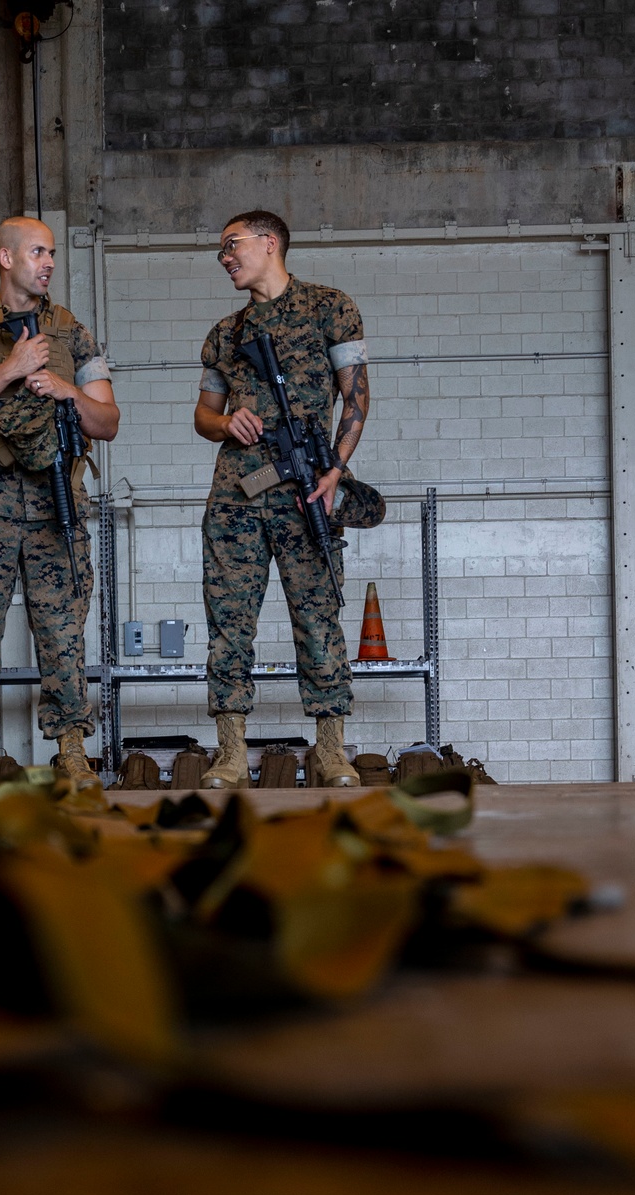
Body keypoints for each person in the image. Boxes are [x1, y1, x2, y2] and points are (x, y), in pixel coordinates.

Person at [0, 216, 119, 791]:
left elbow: (107, 421)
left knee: (64, 630)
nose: (50, 262)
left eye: (53, 252)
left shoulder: (73, 334)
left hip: (56, 498)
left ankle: (73, 749)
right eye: (38, 251)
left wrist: (66, 390)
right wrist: (12, 368)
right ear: (6, 258)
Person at [193, 209, 371, 789]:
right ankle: (230, 754)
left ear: (269, 243)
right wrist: (226, 423)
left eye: (232, 245)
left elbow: (357, 400)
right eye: (221, 249)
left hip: (305, 491)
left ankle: (331, 750)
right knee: (229, 624)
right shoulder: (226, 333)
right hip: (237, 498)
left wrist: (336, 474)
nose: (224, 257)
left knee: (319, 618)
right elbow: (202, 415)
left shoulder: (330, 307)